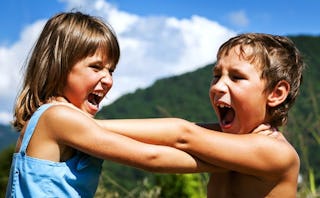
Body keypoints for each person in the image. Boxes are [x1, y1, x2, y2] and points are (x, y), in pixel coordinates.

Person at [6, 11, 223, 197]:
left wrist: (231, 137)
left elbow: (173, 134)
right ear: (59, 67)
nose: (108, 80)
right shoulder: (58, 118)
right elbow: (152, 157)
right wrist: (235, 160)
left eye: (111, 70)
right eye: (96, 67)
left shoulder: (56, 119)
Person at [97, 33, 304, 197]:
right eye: (216, 76)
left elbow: (182, 135)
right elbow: (160, 148)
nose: (218, 86)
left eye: (237, 77)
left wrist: (84, 125)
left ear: (276, 94)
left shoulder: (276, 153)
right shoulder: (229, 140)